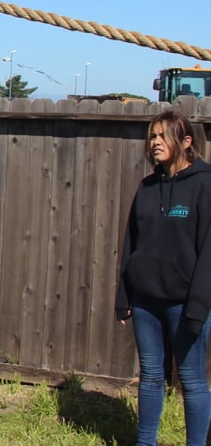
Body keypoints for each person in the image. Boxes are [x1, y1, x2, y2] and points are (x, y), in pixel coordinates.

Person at [116, 110, 211, 446]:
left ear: (186, 142)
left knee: (192, 380)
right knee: (150, 376)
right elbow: (131, 243)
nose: (155, 142)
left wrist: (198, 307)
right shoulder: (147, 187)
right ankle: (146, 442)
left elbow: (208, 253)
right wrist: (124, 297)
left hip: (185, 304)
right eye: (152, 136)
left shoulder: (204, 184)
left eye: (162, 136)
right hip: (146, 302)